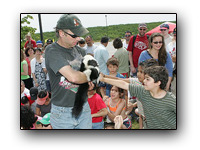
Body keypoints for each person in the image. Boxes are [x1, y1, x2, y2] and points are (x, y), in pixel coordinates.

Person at [45, 14, 94, 129]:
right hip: (62, 112)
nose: (79, 39)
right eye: (75, 35)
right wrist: (91, 75)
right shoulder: (52, 51)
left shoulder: (81, 51)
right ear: (61, 33)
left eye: (79, 35)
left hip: (83, 108)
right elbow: (73, 77)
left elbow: (83, 77)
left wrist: (88, 83)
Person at [100, 66, 176, 129]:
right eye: (145, 78)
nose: (144, 81)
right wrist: (103, 79)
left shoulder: (171, 100)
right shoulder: (143, 92)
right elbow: (124, 84)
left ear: (158, 83)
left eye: (148, 79)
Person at [166, 27, 176, 96]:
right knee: (173, 90)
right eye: (175, 35)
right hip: (173, 71)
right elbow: (168, 58)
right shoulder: (170, 45)